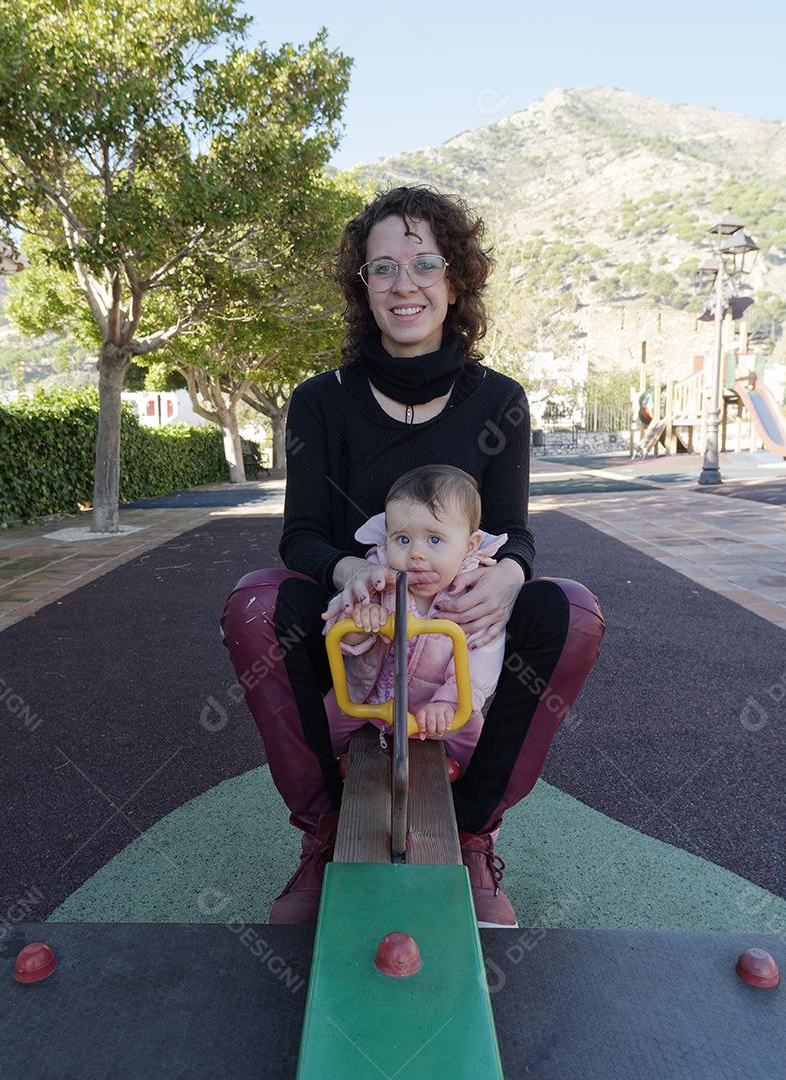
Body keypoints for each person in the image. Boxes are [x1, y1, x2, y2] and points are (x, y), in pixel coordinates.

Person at [221, 185, 605, 929]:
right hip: (358, 621)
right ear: (360, 286)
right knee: (258, 603)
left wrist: (507, 575)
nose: (404, 285)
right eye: (382, 268)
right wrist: (353, 572)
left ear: (454, 279)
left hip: (456, 623)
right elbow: (301, 536)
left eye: (424, 263)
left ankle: (469, 831)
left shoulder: (499, 401)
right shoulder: (320, 401)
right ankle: (326, 835)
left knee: (570, 611)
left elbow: (513, 533)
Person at [324, 464, 508, 766]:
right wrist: (361, 623)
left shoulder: (470, 598)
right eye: (403, 539)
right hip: (367, 698)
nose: (416, 555)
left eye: (434, 540)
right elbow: (341, 636)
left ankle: (474, 806)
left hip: (438, 708)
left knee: (482, 753)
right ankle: (327, 792)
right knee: (321, 731)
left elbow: (482, 656)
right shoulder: (380, 580)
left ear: (469, 545)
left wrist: (451, 703)